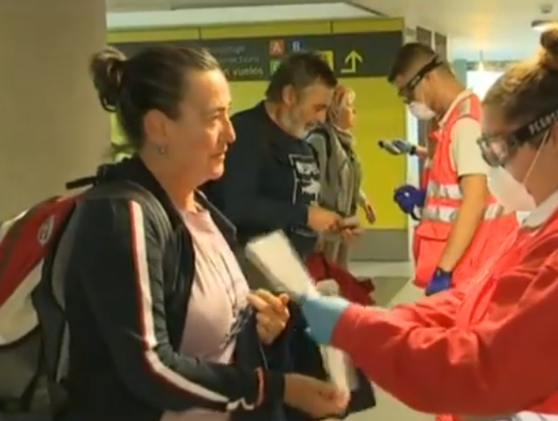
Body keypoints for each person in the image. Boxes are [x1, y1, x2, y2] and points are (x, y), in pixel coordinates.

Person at [295, 27, 558, 421]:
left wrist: (356, 331)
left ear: (556, 136)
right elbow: (483, 298)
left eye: (498, 149)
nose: (492, 165)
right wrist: (378, 319)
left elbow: (480, 372)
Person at [50, 45, 371, 421]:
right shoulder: (124, 217)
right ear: (158, 127)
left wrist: (259, 325)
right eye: (214, 118)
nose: (231, 134)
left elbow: (203, 330)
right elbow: (150, 367)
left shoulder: (201, 208)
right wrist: (277, 388)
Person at [386, 43, 517, 297]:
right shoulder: (460, 118)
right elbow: (466, 190)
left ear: (428, 78)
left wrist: (444, 269)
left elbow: (476, 199)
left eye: (407, 93)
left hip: (472, 265)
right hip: (477, 261)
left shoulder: (465, 125)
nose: (408, 102)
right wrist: (425, 198)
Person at [203, 52, 343, 262]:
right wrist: (305, 216)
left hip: (295, 271)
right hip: (253, 274)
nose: (321, 118)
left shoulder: (301, 142)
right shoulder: (244, 135)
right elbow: (233, 206)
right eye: (318, 108)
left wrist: (327, 224)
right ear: (289, 96)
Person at [306, 84, 374, 268]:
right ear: (335, 109)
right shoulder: (320, 140)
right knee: (325, 278)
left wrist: (362, 200)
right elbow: (310, 183)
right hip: (326, 226)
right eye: (349, 105)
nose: (354, 111)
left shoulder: (345, 143)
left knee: (341, 275)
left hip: (344, 222)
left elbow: (348, 177)